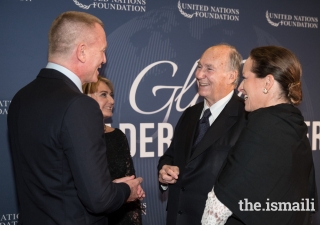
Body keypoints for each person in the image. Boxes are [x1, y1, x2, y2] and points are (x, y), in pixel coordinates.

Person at [7, 11, 144, 225]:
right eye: (103, 51)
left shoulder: (20, 98)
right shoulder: (80, 105)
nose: (104, 59)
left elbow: (55, 178)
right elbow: (99, 200)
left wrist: (108, 187)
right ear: (81, 51)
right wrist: (128, 189)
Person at [201, 45, 318, 225]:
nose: (240, 87)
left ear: (267, 82)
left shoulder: (263, 124)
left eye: (246, 78)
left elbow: (218, 206)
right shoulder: (294, 122)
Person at [157, 44, 247, 225]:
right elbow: (171, 155)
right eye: (199, 66)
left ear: (232, 76)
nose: (198, 75)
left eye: (209, 69)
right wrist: (165, 169)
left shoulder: (247, 117)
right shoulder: (190, 114)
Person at [82, 76, 142, 225]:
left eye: (111, 95)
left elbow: (130, 182)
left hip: (121, 217)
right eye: (103, 94)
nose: (112, 101)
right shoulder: (76, 137)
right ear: (85, 98)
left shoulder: (117, 136)